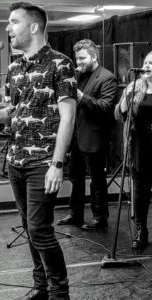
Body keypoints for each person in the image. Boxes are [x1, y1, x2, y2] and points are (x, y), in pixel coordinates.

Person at [0, 2, 77, 300]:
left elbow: (68, 116)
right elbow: (19, 110)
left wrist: (57, 164)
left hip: (43, 162)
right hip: (16, 160)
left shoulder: (60, 64)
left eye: (13, 21)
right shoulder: (16, 66)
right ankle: (41, 290)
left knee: (40, 230)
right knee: (27, 226)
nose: (8, 28)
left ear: (34, 27)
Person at [114, 50, 152, 251]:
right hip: (139, 149)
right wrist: (126, 96)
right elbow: (120, 114)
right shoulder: (135, 87)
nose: (146, 66)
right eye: (145, 62)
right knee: (139, 195)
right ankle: (141, 232)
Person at [57, 39, 117, 230]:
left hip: (95, 138)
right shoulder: (78, 75)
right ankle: (75, 214)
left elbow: (105, 108)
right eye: (77, 58)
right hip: (76, 137)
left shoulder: (107, 78)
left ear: (94, 56)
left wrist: (82, 97)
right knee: (75, 179)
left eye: (82, 58)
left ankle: (100, 218)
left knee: (97, 181)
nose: (79, 62)